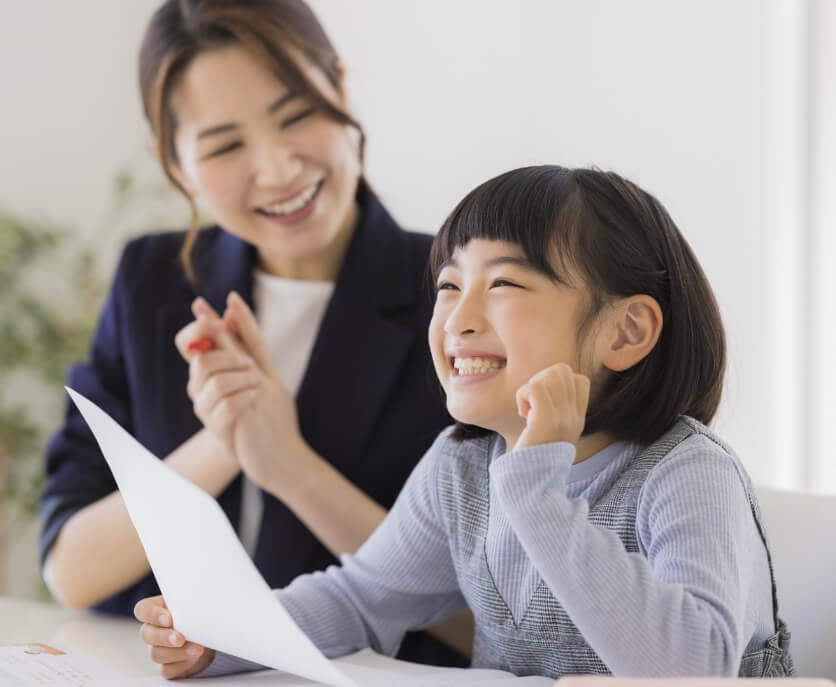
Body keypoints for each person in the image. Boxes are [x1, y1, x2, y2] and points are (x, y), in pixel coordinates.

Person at [135, 165, 794, 679]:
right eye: (449, 285)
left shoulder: (685, 471)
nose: (458, 317)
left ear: (626, 330)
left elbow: (696, 669)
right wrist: (221, 633)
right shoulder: (463, 467)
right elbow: (361, 597)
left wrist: (539, 492)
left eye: (504, 284)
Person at [38, 0, 470, 666]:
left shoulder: (457, 291)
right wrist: (223, 443)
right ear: (176, 163)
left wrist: (289, 466)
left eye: (297, 115)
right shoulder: (151, 282)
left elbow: (501, 618)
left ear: (341, 89)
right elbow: (72, 568)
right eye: (226, 145)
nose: (277, 169)